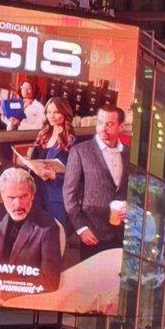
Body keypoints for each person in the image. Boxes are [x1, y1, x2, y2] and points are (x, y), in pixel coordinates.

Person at [0, 169, 64, 286]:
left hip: (21, 299)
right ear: (1, 196)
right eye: (11, 197)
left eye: (24, 196)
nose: (18, 205)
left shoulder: (48, 227)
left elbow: (49, 280)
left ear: (32, 196)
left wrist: (4, 286)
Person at [64, 103, 129, 256]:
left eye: (109, 124)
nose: (103, 129)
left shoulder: (129, 154)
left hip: (122, 234)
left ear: (121, 127)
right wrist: (81, 228)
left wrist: (131, 208)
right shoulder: (80, 151)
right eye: (100, 123)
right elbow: (69, 194)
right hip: (92, 233)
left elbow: (137, 190)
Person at [23, 96, 76, 226]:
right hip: (37, 189)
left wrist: (54, 176)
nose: (52, 116)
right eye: (49, 112)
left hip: (55, 193)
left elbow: (75, 177)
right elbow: (34, 160)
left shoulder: (71, 140)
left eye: (57, 112)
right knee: (35, 229)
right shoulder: (43, 134)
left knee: (54, 230)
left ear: (65, 113)